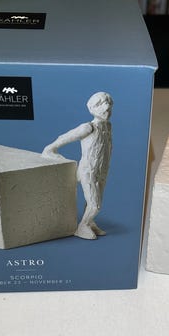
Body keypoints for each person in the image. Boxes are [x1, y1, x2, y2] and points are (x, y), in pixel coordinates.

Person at [42, 92, 113, 240]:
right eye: (101, 105)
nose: (107, 108)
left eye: (109, 105)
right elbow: (66, 137)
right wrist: (50, 149)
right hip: (88, 170)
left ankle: (90, 223)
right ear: (92, 108)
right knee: (95, 205)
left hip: (102, 170)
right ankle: (82, 227)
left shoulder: (107, 126)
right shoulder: (88, 127)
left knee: (93, 201)